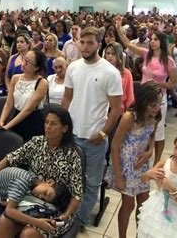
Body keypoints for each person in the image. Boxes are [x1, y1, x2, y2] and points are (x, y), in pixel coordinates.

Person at [0, 104, 83, 238]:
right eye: (46, 122)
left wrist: (66, 215)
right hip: (29, 200)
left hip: (56, 208)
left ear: (65, 128)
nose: (48, 127)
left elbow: (77, 194)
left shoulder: (72, 155)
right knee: (3, 222)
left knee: (28, 234)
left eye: (53, 124)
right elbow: (8, 160)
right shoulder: (37, 142)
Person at [61, 26, 122, 228]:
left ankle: (77, 221)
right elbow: (67, 98)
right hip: (73, 135)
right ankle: (69, 215)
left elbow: (116, 108)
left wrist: (103, 133)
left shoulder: (110, 72)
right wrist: (63, 126)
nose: (85, 46)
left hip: (94, 139)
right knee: (71, 181)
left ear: (99, 44)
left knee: (91, 183)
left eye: (90, 43)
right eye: (82, 42)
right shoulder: (73, 67)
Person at [115, 16, 177, 164]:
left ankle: (156, 161)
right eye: (152, 39)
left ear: (161, 42)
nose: (153, 41)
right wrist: (118, 28)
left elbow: (174, 84)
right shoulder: (146, 54)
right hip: (143, 98)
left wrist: (157, 84)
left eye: (156, 39)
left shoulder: (168, 61)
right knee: (141, 127)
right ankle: (139, 154)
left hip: (157, 100)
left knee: (158, 133)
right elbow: (128, 44)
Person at [104, 82, 161, 238]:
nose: (156, 108)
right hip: (125, 165)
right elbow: (115, 146)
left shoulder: (155, 116)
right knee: (128, 204)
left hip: (142, 165)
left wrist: (149, 152)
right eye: (152, 105)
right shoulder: (130, 117)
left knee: (143, 204)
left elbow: (151, 138)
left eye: (159, 104)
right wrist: (119, 176)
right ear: (143, 102)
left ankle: (139, 234)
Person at [0, 49, 48, 143]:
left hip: (32, 121)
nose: (24, 63)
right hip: (16, 116)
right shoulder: (15, 78)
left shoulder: (42, 83)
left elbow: (28, 109)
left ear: (36, 67)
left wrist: (7, 126)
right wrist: (1, 122)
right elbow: (8, 104)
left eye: (28, 62)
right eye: (25, 59)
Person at [104, 42, 134, 113]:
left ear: (119, 55)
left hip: (119, 110)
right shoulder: (100, 70)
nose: (110, 56)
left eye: (113, 54)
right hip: (103, 109)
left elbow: (130, 97)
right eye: (108, 53)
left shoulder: (126, 73)